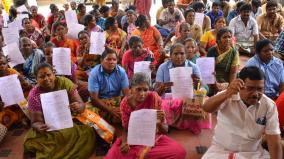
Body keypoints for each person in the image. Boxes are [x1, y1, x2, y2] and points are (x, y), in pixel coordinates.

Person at [202, 66, 283, 159]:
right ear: (240, 85)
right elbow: (206, 108)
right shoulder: (228, 95)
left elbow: (274, 140)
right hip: (221, 152)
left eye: (260, 89)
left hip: (253, 154)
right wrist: (226, 94)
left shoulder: (269, 105)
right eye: (250, 88)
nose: (255, 94)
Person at [105, 72, 186, 159]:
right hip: (133, 139)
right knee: (113, 155)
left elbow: (165, 131)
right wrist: (125, 142)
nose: (142, 93)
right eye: (138, 89)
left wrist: (159, 122)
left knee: (179, 152)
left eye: (145, 90)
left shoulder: (154, 98)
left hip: (153, 138)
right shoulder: (125, 103)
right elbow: (126, 129)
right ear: (131, 89)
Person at [23, 63, 96, 159]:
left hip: (69, 120)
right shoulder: (34, 95)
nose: (46, 78)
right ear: (36, 79)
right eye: (41, 76)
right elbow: (36, 122)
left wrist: (78, 106)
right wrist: (39, 126)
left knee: (86, 133)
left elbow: (81, 104)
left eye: (48, 75)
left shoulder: (65, 82)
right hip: (49, 126)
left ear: (54, 74)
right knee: (33, 140)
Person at [88, 47, 129, 123]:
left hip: (116, 100)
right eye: (108, 59)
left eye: (114, 60)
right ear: (101, 61)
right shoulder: (94, 73)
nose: (112, 62)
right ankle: (110, 119)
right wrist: (110, 110)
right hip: (100, 102)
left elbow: (127, 95)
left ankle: (106, 120)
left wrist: (121, 108)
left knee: (128, 110)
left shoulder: (122, 72)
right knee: (86, 112)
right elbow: (94, 99)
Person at [0, 54, 31, 128]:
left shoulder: (12, 72)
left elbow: (26, 86)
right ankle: (21, 119)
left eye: (3, 63)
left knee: (29, 94)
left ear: (7, 64)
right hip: (6, 106)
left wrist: (23, 81)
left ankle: (24, 118)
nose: (1, 66)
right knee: (4, 118)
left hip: (19, 101)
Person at [207, 28, 239, 95]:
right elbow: (210, 72)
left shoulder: (234, 52)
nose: (227, 39)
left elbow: (233, 73)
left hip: (227, 81)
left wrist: (230, 88)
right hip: (213, 82)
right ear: (218, 40)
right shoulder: (212, 51)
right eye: (224, 37)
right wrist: (216, 88)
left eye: (229, 37)